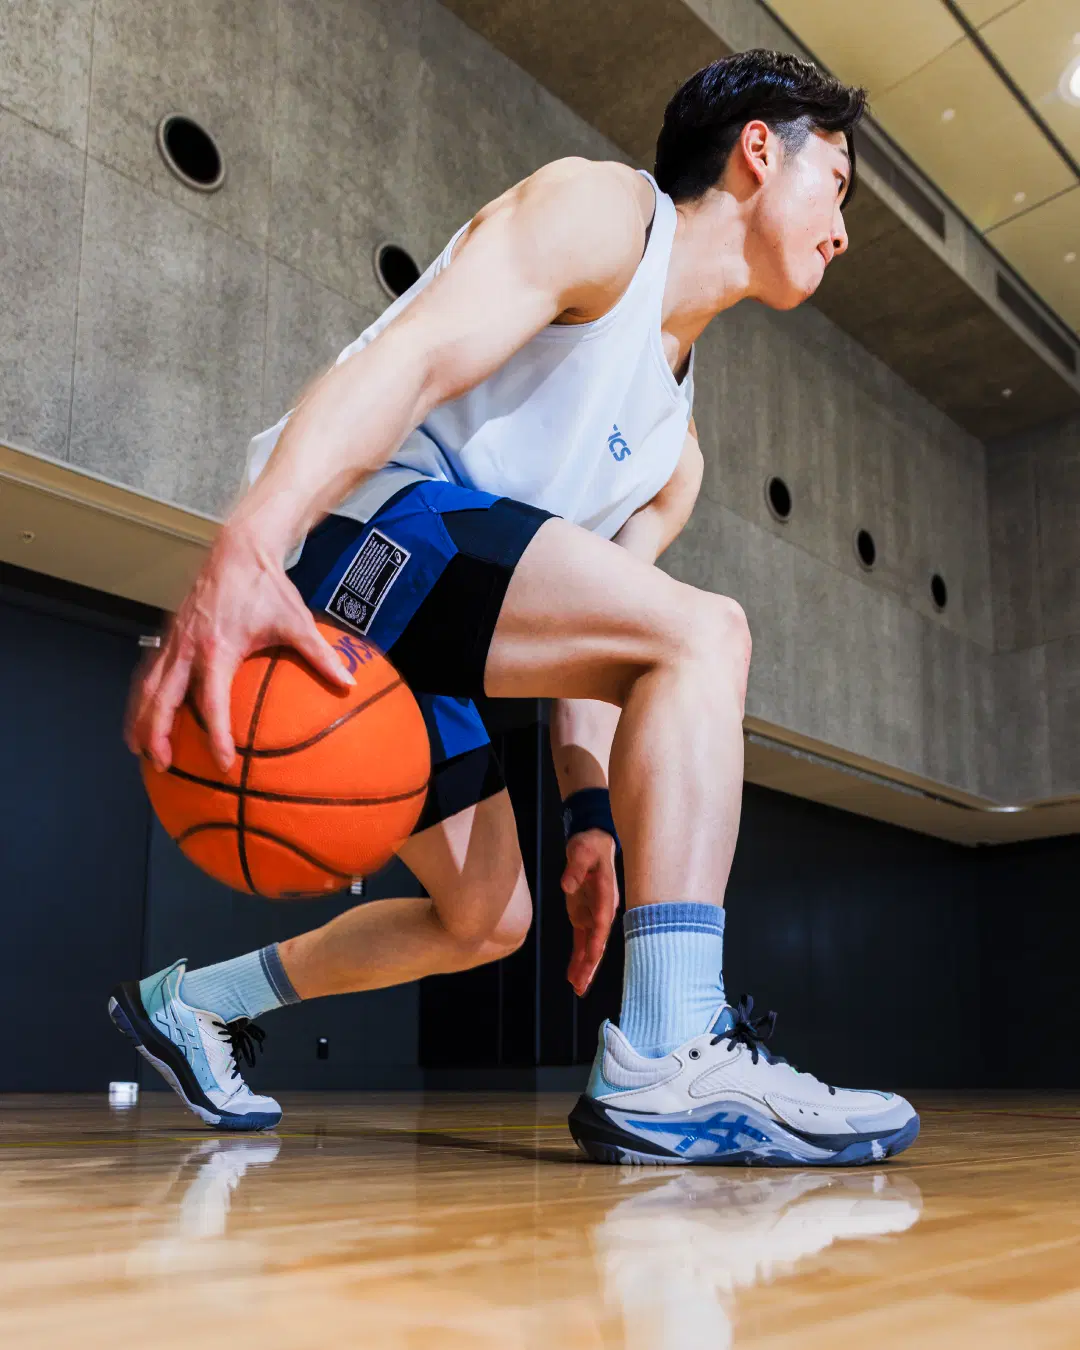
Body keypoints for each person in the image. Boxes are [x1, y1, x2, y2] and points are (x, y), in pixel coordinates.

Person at [114, 50, 919, 1164]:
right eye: (836, 183)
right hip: (367, 536)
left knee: (487, 917)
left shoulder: (675, 459)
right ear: (759, 149)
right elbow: (410, 357)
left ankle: (193, 1002)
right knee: (708, 629)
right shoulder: (605, 219)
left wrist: (589, 816)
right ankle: (669, 1048)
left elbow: (600, 649)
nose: (842, 229)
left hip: (443, 614)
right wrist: (250, 536)